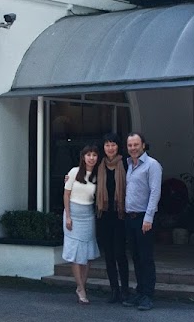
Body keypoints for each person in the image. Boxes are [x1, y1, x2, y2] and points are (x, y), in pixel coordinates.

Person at [122, 131, 161, 311]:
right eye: (130, 145)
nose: (133, 148)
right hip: (130, 218)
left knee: (146, 258)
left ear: (143, 145)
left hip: (144, 218)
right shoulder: (130, 165)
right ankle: (140, 291)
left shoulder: (152, 165)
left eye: (136, 145)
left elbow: (155, 192)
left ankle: (148, 295)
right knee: (136, 257)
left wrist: (148, 218)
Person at [63, 145, 101, 304]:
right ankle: (80, 287)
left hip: (88, 215)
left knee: (87, 254)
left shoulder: (99, 175)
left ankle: (82, 286)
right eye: (88, 155)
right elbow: (66, 194)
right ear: (83, 157)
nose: (91, 158)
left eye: (94, 155)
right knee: (76, 253)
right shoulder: (74, 172)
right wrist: (68, 216)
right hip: (73, 214)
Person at [94, 133, 130, 304]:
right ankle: (114, 289)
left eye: (113, 145)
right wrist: (68, 178)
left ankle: (125, 290)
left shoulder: (126, 164)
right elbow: (83, 175)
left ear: (118, 146)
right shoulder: (98, 165)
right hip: (104, 215)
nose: (110, 148)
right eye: (107, 145)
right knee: (108, 254)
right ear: (103, 147)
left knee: (120, 253)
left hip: (120, 215)